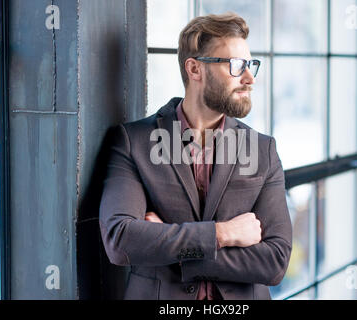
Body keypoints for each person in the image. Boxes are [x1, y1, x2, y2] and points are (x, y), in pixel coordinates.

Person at [99, 12, 292, 300]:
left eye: (250, 65)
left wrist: (174, 250)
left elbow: (275, 261)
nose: (250, 78)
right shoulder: (133, 142)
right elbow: (121, 239)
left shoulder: (262, 149)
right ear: (195, 69)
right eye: (237, 66)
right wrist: (222, 234)